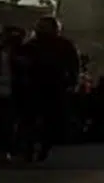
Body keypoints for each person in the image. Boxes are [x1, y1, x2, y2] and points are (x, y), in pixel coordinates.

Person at [20, 16, 80, 162]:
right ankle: (29, 148)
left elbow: (74, 65)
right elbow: (21, 62)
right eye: (40, 26)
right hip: (33, 87)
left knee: (51, 120)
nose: (41, 29)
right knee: (29, 119)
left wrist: (72, 82)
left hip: (55, 87)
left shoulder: (64, 45)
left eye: (45, 27)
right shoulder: (32, 45)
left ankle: (44, 148)